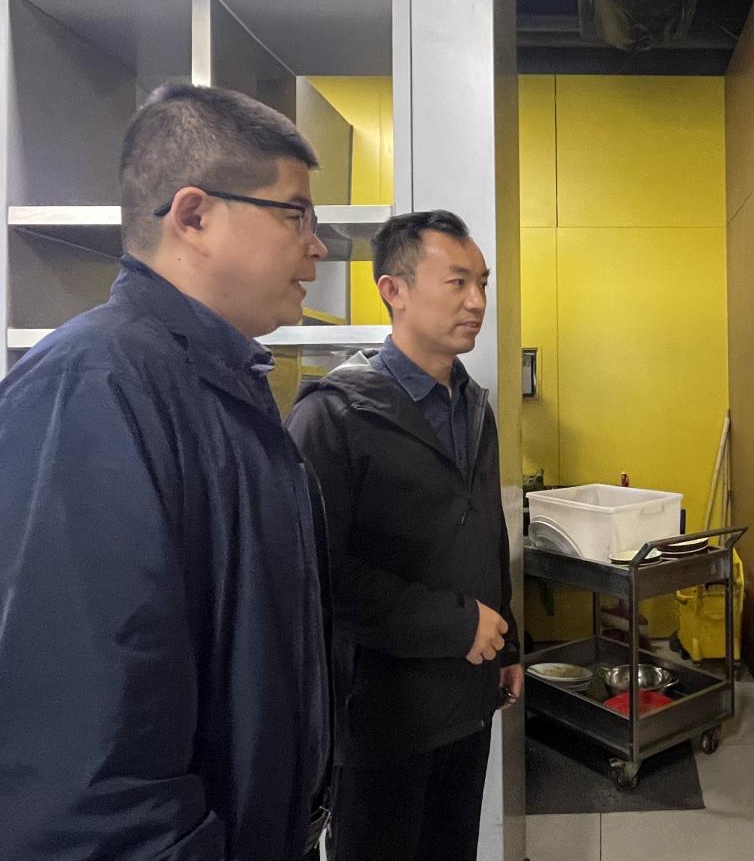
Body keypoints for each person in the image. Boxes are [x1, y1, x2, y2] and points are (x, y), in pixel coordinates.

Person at [0, 84, 332, 860]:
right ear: (193, 215)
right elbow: (84, 753)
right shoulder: (93, 387)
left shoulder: (221, 386)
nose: (316, 246)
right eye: (295, 214)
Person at [285, 210, 521, 861]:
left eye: (482, 283)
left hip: (467, 701)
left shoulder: (473, 406)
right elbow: (318, 576)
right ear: (394, 290)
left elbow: (487, 531)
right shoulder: (334, 415)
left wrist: (508, 645)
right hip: (381, 718)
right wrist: (456, 624)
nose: (477, 301)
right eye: (457, 282)